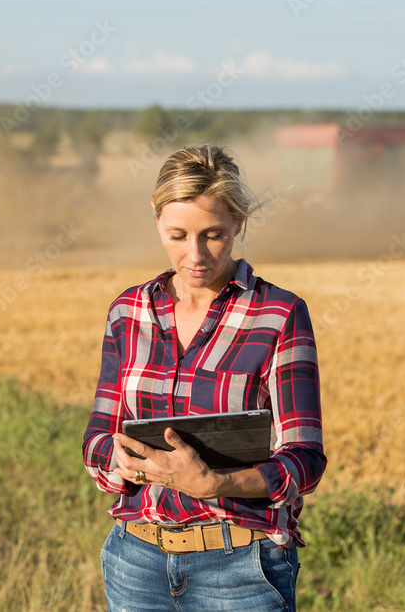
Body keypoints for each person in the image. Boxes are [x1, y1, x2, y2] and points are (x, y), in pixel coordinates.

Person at [82, 144, 326, 611]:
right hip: (135, 562)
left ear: (239, 223)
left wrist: (214, 484)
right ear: (155, 221)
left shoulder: (279, 314)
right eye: (177, 235)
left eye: (213, 235)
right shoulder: (128, 311)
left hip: (241, 569)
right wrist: (121, 461)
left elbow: (305, 460)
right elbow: (97, 436)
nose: (195, 255)